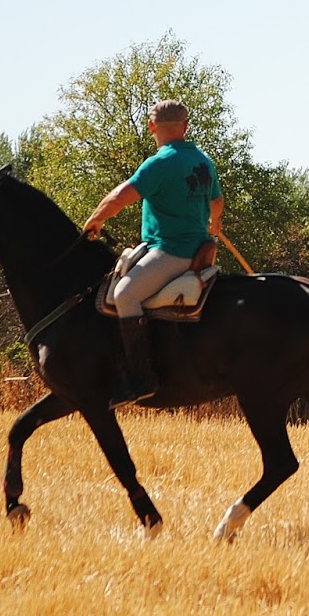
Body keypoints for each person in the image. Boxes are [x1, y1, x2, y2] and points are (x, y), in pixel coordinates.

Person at [82, 99, 223, 407]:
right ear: (186, 126)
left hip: (171, 252)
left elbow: (120, 197)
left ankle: (140, 378)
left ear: (151, 127)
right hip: (200, 249)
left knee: (124, 294)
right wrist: (214, 224)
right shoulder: (202, 160)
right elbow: (217, 203)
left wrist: (95, 220)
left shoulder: (160, 163)